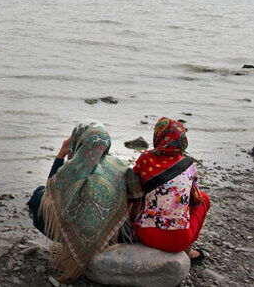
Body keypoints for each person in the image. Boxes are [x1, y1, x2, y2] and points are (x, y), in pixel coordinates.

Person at [26, 121, 143, 281]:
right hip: (110, 238)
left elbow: (51, 193)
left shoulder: (73, 170)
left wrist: (61, 154)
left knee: (38, 196)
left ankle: (73, 251)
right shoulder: (118, 166)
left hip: (73, 233)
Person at [133, 118, 210, 264]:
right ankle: (188, 252)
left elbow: (133, 186)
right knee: (203, 199)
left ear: (158, 136)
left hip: (145, 235)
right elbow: (196, 200)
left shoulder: (145, 159)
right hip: (179, 241)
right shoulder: (189, 166)